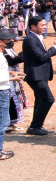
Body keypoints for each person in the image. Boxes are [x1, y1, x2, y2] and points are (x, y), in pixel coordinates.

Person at [22, 16, 56, 135]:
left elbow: (42, 55)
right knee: (48, 99)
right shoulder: (30, 39)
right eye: (42, 25)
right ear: (33, 26)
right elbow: (41, 57)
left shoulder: (35, 37)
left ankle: (36, 126)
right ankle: (35, 126)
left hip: (40, 74)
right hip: (35, 75)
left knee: (40, 100)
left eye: (45, 24)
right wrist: (55, 47)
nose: (45, 27)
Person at [1, 28, 25, 160]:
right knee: (2, 124)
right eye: (8, 40)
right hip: (2, 89)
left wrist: (11, 73)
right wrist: (11, 78)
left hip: (4, 87)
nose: (11, 42)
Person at [3, 31, 26, 131]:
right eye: (8, 40)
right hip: (5, 81)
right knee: (8, 100)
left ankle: (11, 123)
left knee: (14, 98)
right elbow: (11, 61)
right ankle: (6, 124)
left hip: (10, 77)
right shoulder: (2, 52)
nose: (11, 41)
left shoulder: (8, 49)